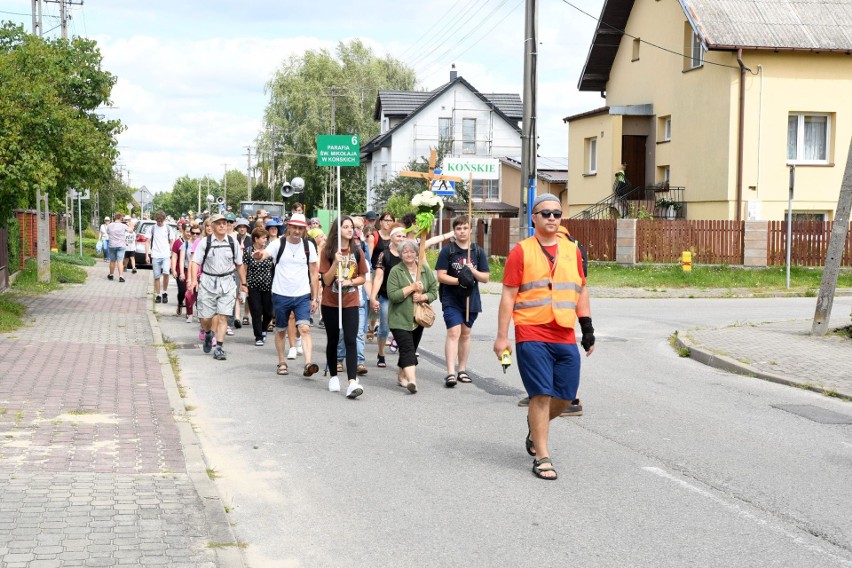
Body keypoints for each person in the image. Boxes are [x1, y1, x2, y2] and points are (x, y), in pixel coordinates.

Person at [493, 193, 595, 481]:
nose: (552, 217)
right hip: (531, 331)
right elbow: (508, 296)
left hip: (563, 331)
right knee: (541, 393)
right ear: (534, 218)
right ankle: (542, 456)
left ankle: (534, 427)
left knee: (564, 397)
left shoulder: (572, 250)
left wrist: (587, 329)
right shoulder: (520, 252)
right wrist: (502, 337)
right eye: (545, 213)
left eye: (556, 213)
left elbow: (580, 289)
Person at [252, 213, 320, 377]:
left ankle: (308, 363)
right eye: (294, 227)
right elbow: (265, 254)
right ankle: (282, 362)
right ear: (289, 227)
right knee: (281, 330)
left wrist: (315, 297)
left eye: (300, 228)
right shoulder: (278, 243)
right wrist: (259, 255)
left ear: (304, 229)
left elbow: (313, 273)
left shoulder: (308, 246)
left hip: (302, 295)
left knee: (304, 328)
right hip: (281, 294)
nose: (297, 231)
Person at [436, 215, 490, 387]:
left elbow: (486, 278)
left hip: (470, 299)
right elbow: (441, 276)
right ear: (454, 231)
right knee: (453, 332)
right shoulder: (448, 251)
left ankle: (462, 370)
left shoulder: (477, 251)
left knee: (465, 334)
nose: (462, 231)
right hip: (452, 297)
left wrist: (472, 271)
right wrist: (459, 280)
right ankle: (450, 372)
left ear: (470, 230)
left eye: (465, 228)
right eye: (458, 228)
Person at [319, 216, 370, 399]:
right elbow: (325, 280)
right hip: (331, 302)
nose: (350, 230)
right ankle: (333, 375)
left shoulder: (357, 251)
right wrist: (335, 262)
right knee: (333, 340)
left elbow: (363, 277)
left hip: (351, 301)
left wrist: (349, 280)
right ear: (338, 229)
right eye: (346, 227)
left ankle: (352, 382)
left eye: (351, 227)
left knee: (351, 339)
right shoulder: (327, 251)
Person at [386, 239, 438, 394]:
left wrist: (423, 297)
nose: (409, 254)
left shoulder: (424, 270)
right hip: (399, 318)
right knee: (408, 348)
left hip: (417, 319)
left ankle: (402, 376)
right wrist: (411, 288)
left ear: (417, 254)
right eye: (405, 251)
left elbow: (434, 291)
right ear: (401, 254)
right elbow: (393, 295)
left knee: (409, 348)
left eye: (412, 251)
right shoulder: (396, 271)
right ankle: (412, 381)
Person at [189, 214, 243, 361]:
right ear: (212, 226)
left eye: (224, 223)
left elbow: (239, 264)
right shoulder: (204, 242)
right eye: (218, 223)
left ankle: (219, 347)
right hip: (207, 283)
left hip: (227, 282)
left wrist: (244, 284)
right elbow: (195, 262)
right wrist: (194, 280)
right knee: (205, 318)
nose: (222, 226)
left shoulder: (233, 242)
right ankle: (208, 333)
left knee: (223, 316)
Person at [369, 224, 406, 368]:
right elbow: (378, 277)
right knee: (384, 327)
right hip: (386, 296)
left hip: (403, 297)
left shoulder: (407, 254)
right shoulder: (384, 254)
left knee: (403, 327)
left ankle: (404, 356)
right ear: (391, 237)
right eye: (398, 236)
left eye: (403, 236)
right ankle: (381, 353)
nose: (401, 238)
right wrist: (373, 297)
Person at [336, 228, 370, 376]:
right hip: (340, 300)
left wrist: (372, 298)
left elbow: (366, 280)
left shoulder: (360, 256)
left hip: (358, 301)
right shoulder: (337, 255)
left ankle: (359, 362)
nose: (355, 242)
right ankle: (338, 359)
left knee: (358, 333)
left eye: (358, 240)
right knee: (343, 332)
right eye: (354, 239)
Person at [240, 227, 274, 346]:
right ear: (256, 239)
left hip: (268, 286)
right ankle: (258, 336)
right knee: (256, 311)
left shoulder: (269, 251)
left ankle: (264, 329)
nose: (265, 240)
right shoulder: (248, 251)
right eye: (263, 238)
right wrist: (243, 285)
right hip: (253, 286)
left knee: (269, 312)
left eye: (266, 238)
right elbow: (243, 269)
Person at [146, 210, 176, 304]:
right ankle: (158, 295)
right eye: (158, 221)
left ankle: (165, 292)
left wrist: (172, 253)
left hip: (166, 254)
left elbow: (172, 241)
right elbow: (147, 241)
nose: (159, 223)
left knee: (166, 272)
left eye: (161, 221)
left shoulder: (168, 228)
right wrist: (147, 254)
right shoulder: (152, 228)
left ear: (164, 220)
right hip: (155, 254)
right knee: (156, 275)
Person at [181, 224, 202, 323]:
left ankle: (199, 314)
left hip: (200, 271)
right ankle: (189, 314)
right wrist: (185, 275)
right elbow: (187, 260)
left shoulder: (202, 243)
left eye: (197, 233)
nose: (194, 235)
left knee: (199, 294)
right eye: (193, 233)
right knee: (189, 293)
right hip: (189, 269)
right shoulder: (186, 244)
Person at [234, 218, 253, 328]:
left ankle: (246, 315)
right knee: (236, 292)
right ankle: (236, 316)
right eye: (240, 227)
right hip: (236, 267)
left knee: (247, 292)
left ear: (247, 228)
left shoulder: (250, 240)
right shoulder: (234, 239)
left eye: (244, 227)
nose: (242, 228)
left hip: (248, 268)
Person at [170, 223, 191, 316]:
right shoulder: (178, 242)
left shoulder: (193, 242)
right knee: (182, 291)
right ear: (182, 231)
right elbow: (174, 257)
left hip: (190, 270)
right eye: (187, 231)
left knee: (189, 291)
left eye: (190, 232)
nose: (189, 234)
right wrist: (173, 270)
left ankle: (188, 312)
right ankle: (179, 303)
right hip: (180, 270)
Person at [106, 213, 129, 282]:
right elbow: (131, 230)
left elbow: (108, 232)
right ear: (121, 218)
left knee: (112, 260)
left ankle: (111, 275)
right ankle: (121, 276)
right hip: (121, 245)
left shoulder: (109, 225)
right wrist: (128, 223)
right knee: (120, 261)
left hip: (112, 245)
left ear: (114, 218)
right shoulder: (123, 225)